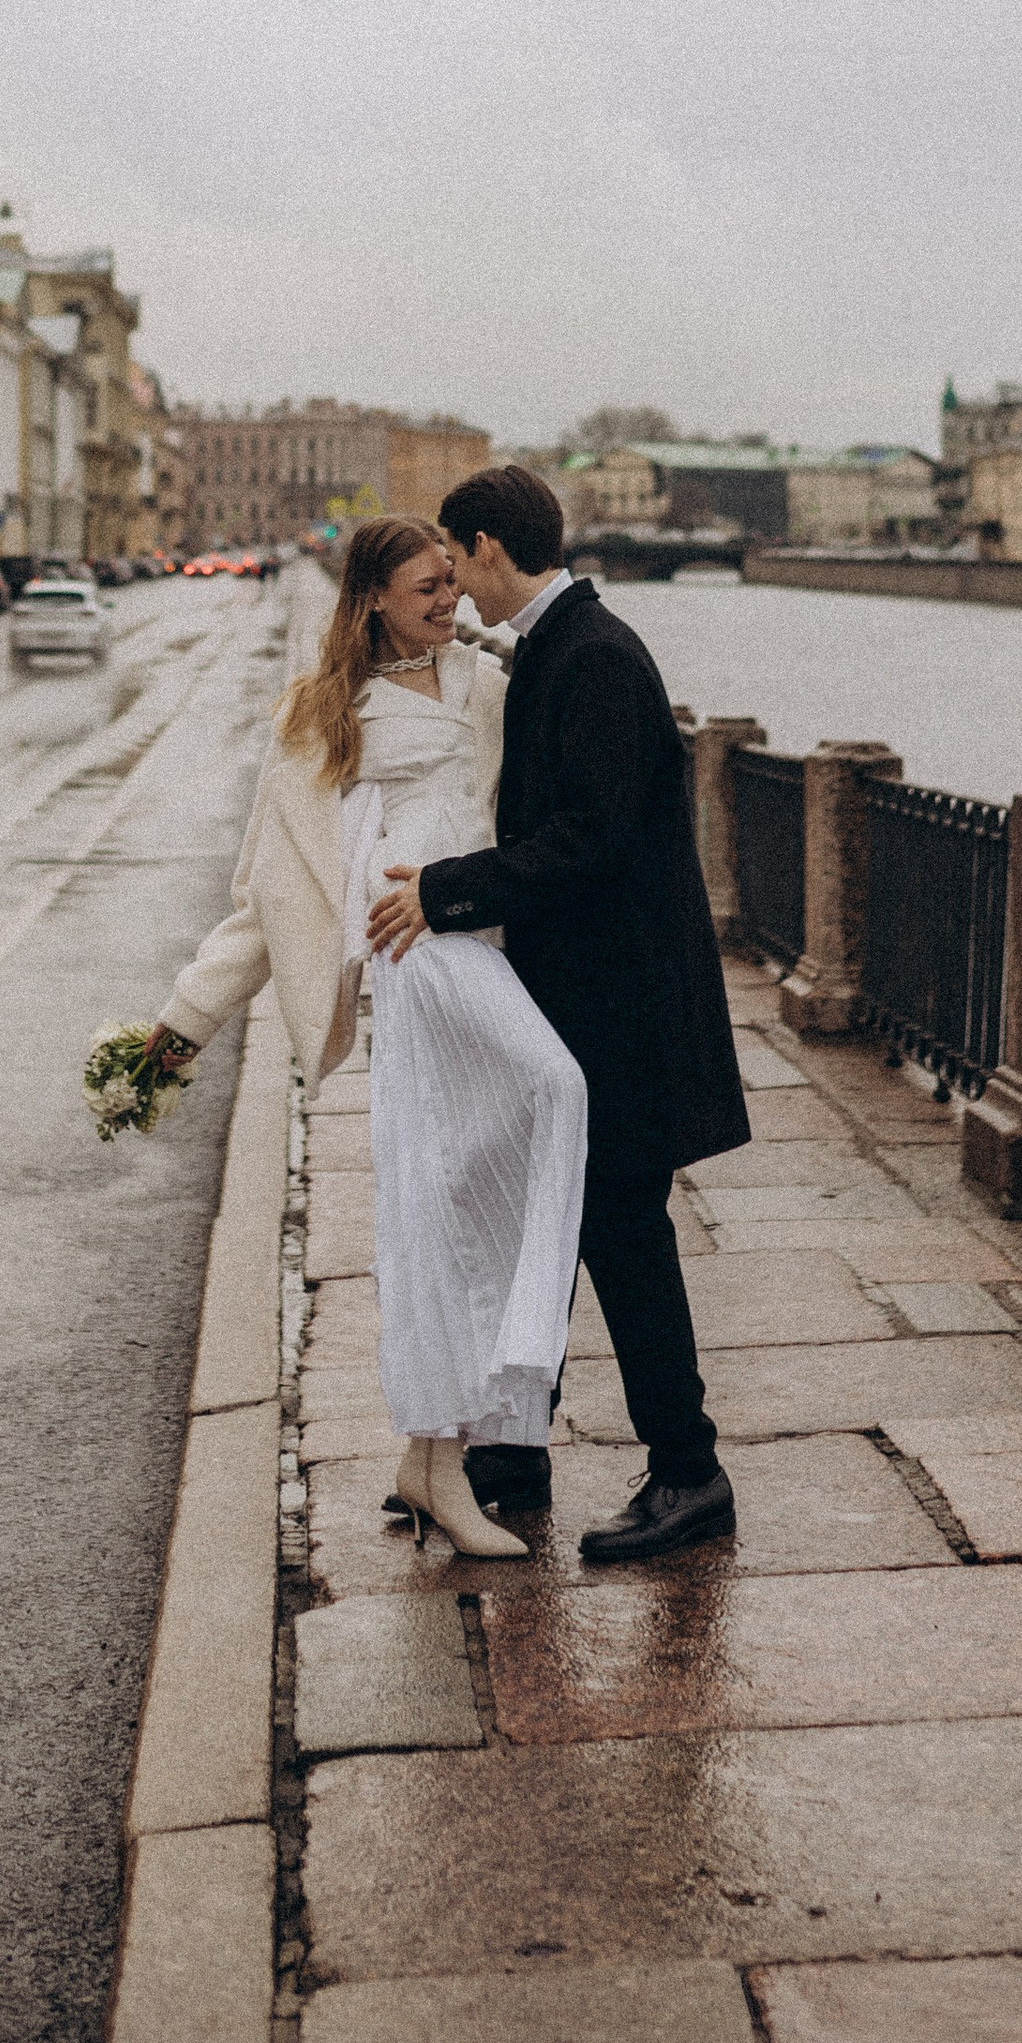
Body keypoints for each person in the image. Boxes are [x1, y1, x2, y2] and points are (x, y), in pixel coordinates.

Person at [141, 515, 587, 1561]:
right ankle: (513, 1371)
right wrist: (181, 1026)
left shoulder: (486, 683)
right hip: (413, 953)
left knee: (445, 1208)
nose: (448, 600)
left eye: (450, 582)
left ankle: (436, 1460)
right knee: (558, 1089)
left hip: (481, 937)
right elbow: (268, 898)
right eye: (426, 588)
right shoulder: (325, 714)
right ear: (373, 597)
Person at [366, 462, 747, 1564]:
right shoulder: (558, 648)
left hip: (621, 1011)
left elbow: (592, 840)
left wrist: (441, 892)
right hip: (587, 1003)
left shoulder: (594, 657)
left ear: (488, 547)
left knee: (623, 1237)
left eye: (456, 556)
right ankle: (510, 1455)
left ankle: (687, 1473)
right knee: (558, 1224)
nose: (453, 583)